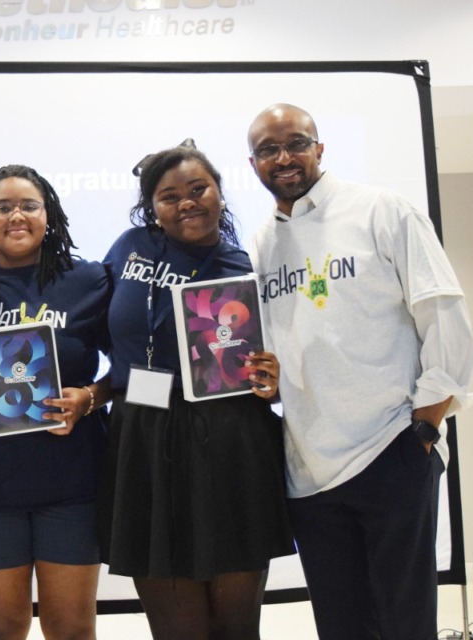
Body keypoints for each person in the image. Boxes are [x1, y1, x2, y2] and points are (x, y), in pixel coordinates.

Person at [247, 103, 473, 640]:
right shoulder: (263, 243)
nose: (284, 158)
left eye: (296, 143)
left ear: (319, 148)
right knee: (341, 628)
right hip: (307, 473)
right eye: (268, 150)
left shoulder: (382, 210)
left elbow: (443, 316)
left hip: (390, 450)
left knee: (406, 625)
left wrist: (422, 429)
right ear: (253, 163)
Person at [99, 141, 295, 640]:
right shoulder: (128, 249)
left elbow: (282, 355)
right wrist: (95, 394)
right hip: (144, 434)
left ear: (220, 192)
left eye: (198, 188)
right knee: (178, 630)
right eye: (169, 196)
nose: (187, 202)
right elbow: (107, 343)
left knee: (236, 626)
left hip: (232, 441)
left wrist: (274, 379)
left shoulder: (246, 267)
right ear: (152, 208)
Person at [0, 165, 111, 640]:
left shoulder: (89, 281)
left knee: (70, 628)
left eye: (28, 205)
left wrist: (88, 397)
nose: (15, 215)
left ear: (50, 214)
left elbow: (126, 368)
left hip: (72, 483)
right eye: (2, 207)